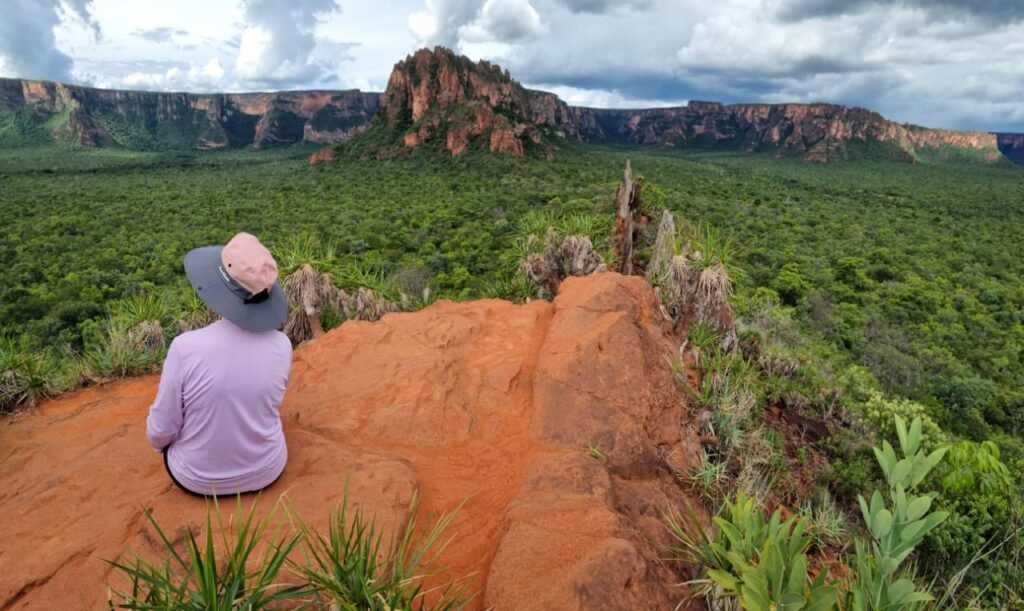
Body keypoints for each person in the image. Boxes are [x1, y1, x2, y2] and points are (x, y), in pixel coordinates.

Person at [146, 232, 292, 497]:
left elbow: (160, 430)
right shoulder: (282, 345)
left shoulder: (185, 347)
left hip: (198, 479)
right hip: (268, 469)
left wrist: (163, 445)